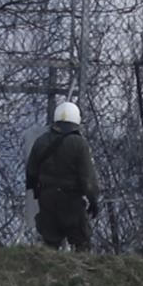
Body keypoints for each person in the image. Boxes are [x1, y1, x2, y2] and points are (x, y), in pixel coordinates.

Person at [25, 101, 100, 251]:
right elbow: (87, 179)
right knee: (82, 242)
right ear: (76, 120)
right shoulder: (79, 144)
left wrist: (38, 192)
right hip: (71, 201)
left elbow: (31, 173)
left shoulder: (41, 141)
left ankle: (48, 273)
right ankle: (80, 273)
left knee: (49, 245)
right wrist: (93, 200)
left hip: (47, 199)